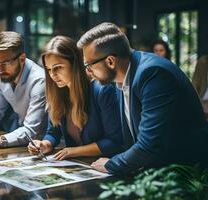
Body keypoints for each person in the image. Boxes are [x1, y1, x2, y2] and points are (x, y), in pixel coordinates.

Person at [77, 22, 208, 175]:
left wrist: (111, 164)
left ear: (110, 61)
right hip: (152, 170)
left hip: (184, 174)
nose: (88, 72)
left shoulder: (153, 73)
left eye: (88, 65)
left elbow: (149, 145)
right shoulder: (122, 77)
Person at [28, 36, 123, 160]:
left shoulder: (102, 90)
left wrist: (73, 151)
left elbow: (115, 142)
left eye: (58, 67)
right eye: (49, 69)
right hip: (78, 165)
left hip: (105, 166)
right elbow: (53, 133)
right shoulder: (57, 92)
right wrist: (44, 145)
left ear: (75, 64)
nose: (52, 75)